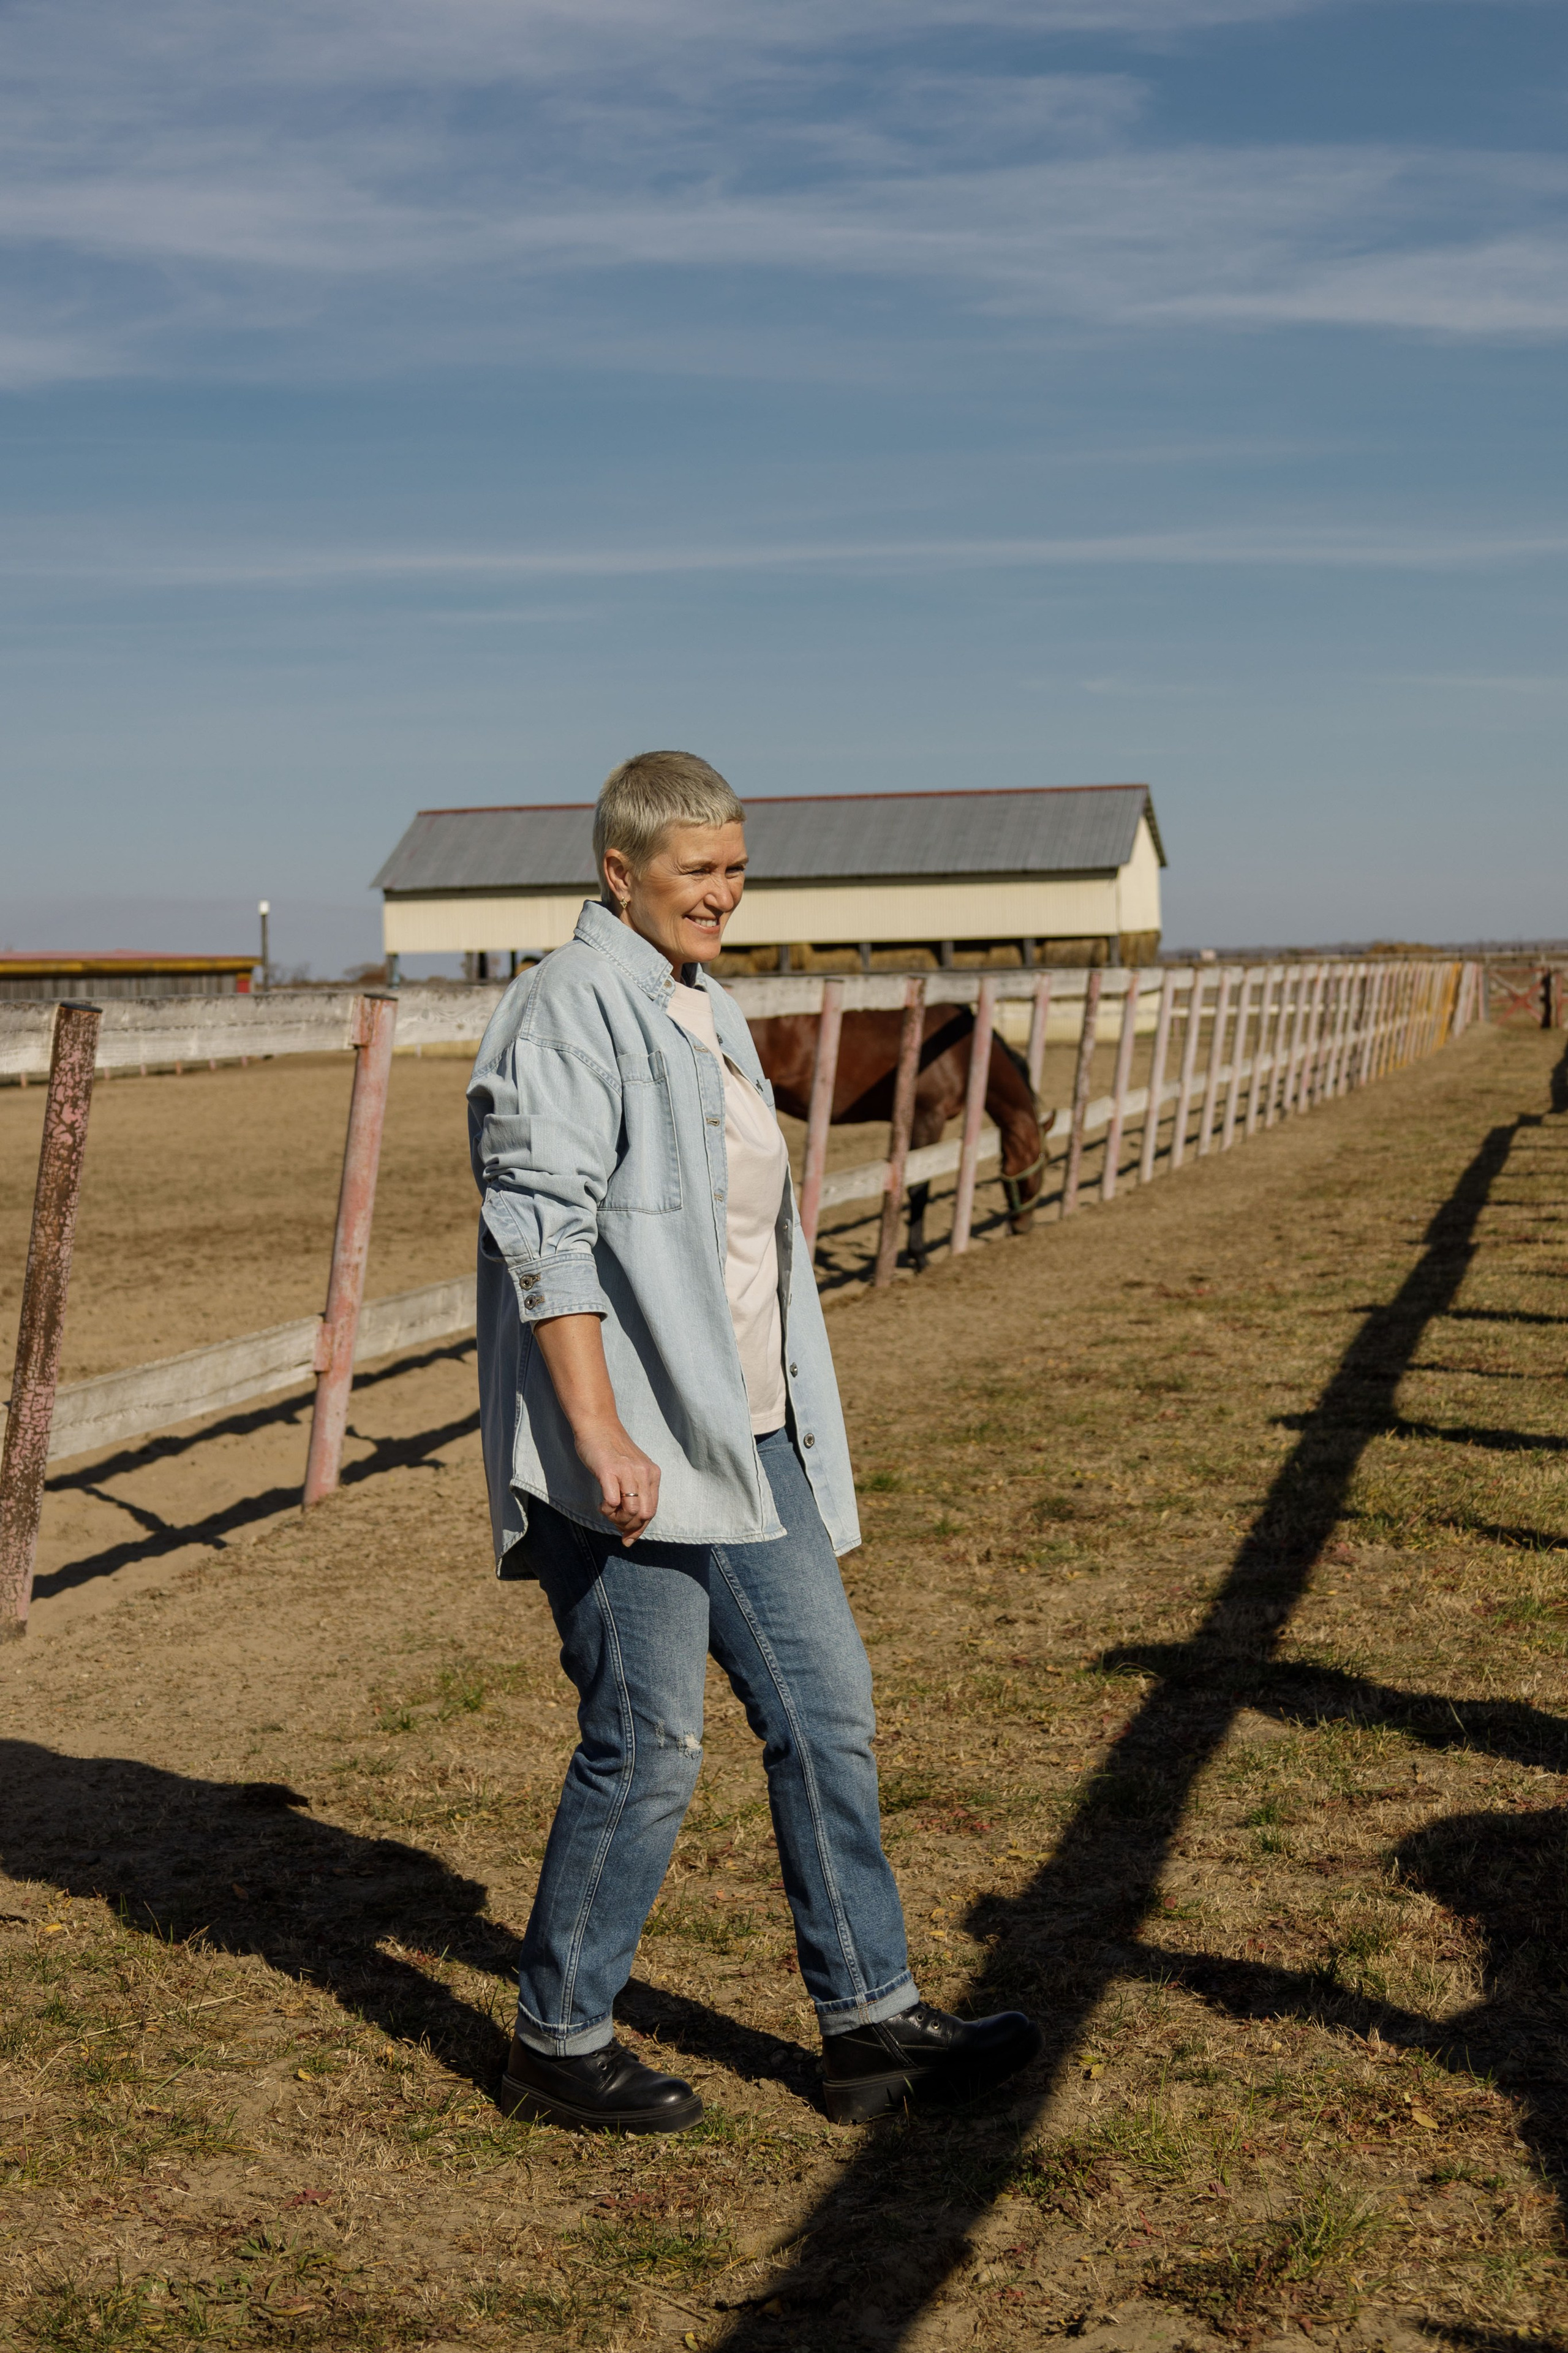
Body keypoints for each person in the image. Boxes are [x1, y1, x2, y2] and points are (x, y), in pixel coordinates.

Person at [467, 750, 1040, 2132]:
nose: (720, 893)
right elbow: (540, 1235)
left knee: (824, 1710)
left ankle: (869, 2019)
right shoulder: (563, 1011)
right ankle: (558, 2034)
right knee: (648, 1738)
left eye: (733, 869)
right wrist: (597, 1433)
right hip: (632, 1450)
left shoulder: (705, 1004)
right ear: (618, 871)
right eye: (693, 871)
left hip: (749, 1434)